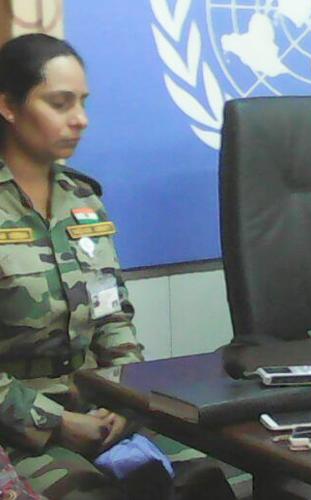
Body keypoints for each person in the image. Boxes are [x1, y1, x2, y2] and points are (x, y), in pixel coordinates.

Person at [0, 34, 234, 499]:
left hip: (100, 410)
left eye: (82, 102)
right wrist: (56, 422)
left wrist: (126, 402)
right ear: (8, 106)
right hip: (18, 426)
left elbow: (113, 320)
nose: (80, 119)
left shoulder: (83, 200)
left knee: (207, 482)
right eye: (60, 103)